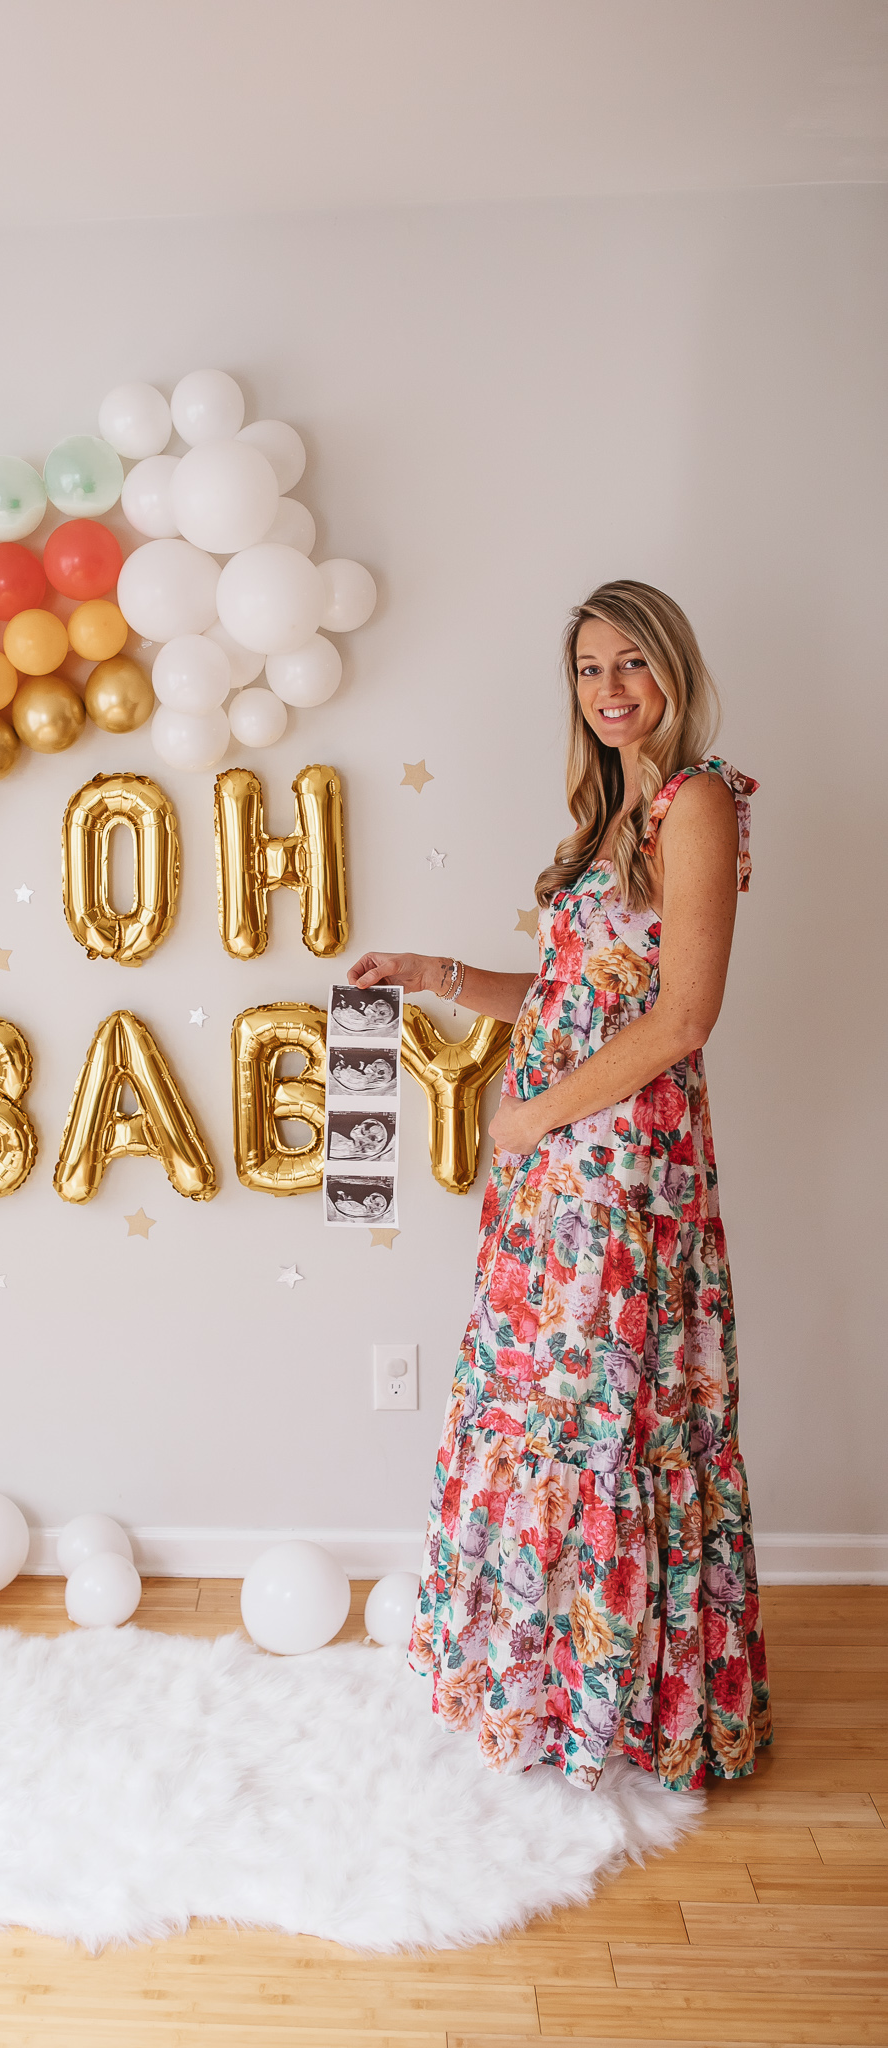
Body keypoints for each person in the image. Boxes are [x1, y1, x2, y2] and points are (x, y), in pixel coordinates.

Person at [348, 579, 771, 1791]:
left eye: (632, 663)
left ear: (675, 671)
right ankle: (546, 1701)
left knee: (608, 1417)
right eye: (590, 670)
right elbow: (573, 999)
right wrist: (440, 973)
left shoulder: (695, 803)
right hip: (560, 1175)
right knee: (545, 1415)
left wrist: (530, 1109)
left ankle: (626, 1714)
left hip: (623, 1170)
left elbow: (684, 1014)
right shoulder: (611, 816)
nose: (610, 689)